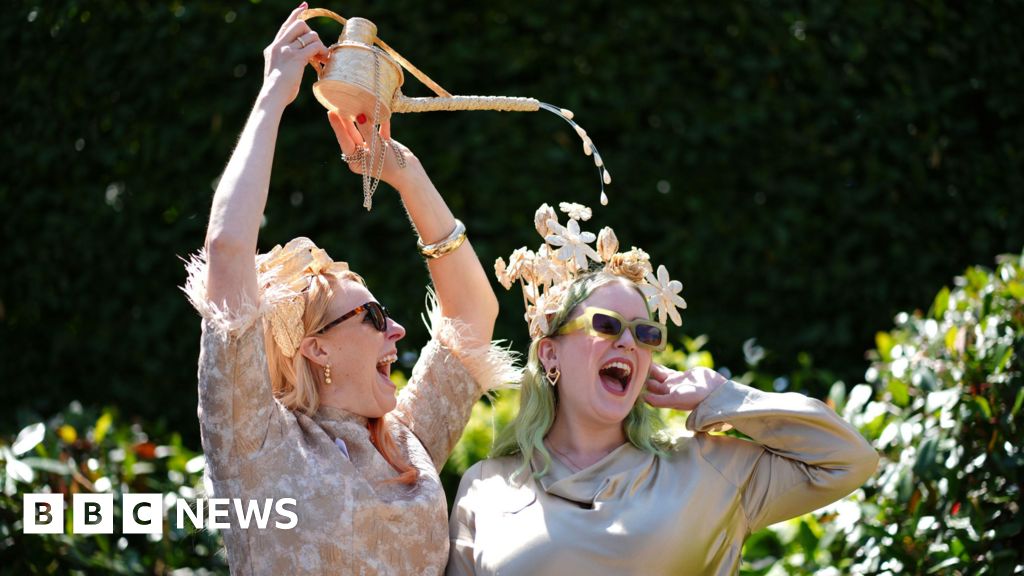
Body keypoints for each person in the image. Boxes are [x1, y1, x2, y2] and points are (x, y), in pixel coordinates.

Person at [182, 5, 517, 574]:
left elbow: (473, 316)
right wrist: (272, 98)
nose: (397, 329)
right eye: (373, 315)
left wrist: (405, 173)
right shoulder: (259, 449)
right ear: (315, 347)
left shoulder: (407, 441)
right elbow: (228, 251)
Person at [447, 202, 880, 575]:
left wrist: (722, 397)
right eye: (606, 325)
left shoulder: (705, 468)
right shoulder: (486, 486)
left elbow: (848, 460)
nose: (628, 343)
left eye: (646, 334)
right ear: (550, 354)